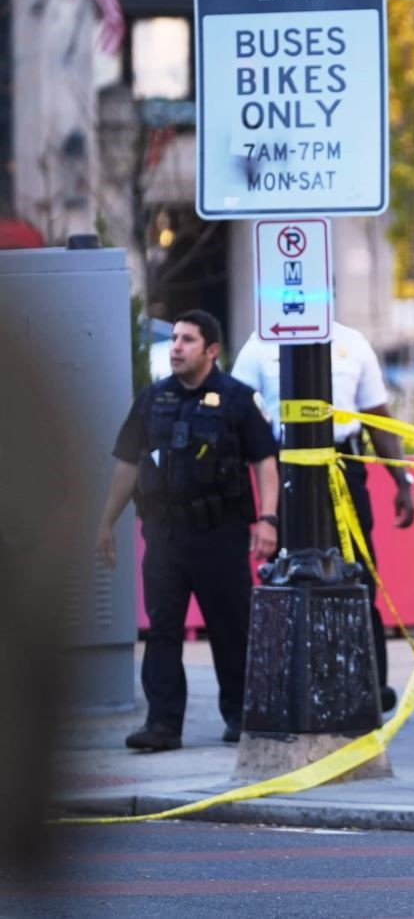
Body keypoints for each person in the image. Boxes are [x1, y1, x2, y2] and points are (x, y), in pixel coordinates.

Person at [95, 310, 280, 750]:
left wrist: (268, 519)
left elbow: (264, 462)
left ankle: (240, 715)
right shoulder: (153, 399)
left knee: (230, 626)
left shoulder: (238, 400)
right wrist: (106, 521)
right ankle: (162, 724)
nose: (176, 347)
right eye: (175, 338)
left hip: (220, 532)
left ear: (211, 350)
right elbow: (127, 464)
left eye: (188, 340)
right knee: (162, 629)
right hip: (165, 534)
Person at [231, 321, 414, 712]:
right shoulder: (261, 343)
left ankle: (369, 685)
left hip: (343, 467)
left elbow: (378, 417)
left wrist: (402, 481)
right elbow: (235, 414)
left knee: (358, 571)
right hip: (288, 468)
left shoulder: (353, 342)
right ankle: (288, 684)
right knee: (286, 576)